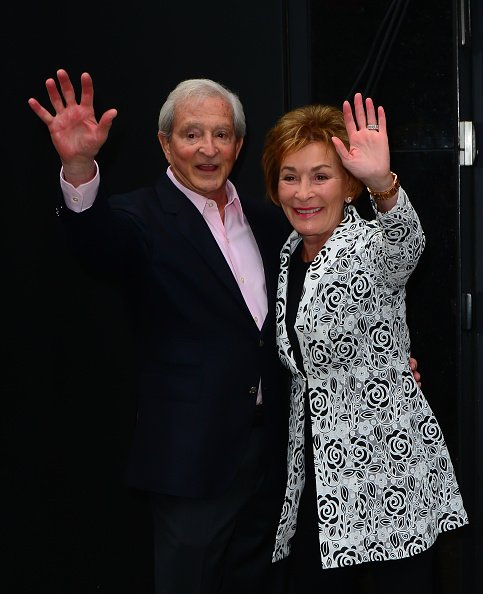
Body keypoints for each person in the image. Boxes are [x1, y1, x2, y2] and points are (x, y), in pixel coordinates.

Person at [28, 70, 421, 594]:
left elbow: (356, 289)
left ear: (238, 143)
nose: (207, 148)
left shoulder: (273, 222)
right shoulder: (137, 218)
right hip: (193, 461)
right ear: (165, 143)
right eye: (192, 134)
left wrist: (388, 364)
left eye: (221, 134)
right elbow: (95, 245)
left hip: (284, 458)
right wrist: (78, 166)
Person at [261, 94, 468, 593]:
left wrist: (384, 185)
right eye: (290, 176)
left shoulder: (371, 245)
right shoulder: (288, 255)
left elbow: (406, 245)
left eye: (321, 175)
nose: (303, 192)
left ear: (349, 184)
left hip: (383, 477)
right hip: (316, 481)